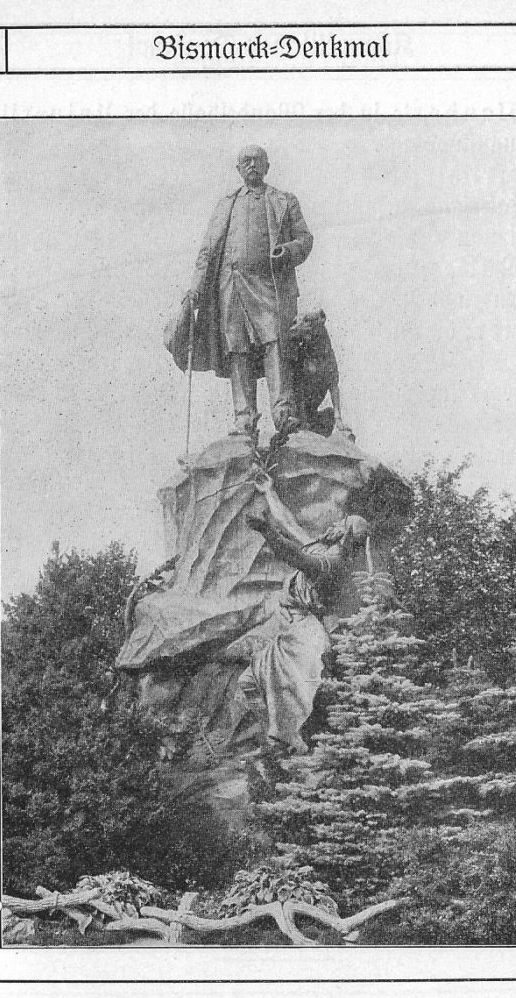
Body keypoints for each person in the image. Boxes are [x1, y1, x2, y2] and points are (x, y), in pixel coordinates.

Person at [233, 470, 370, 755]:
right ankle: (276, 742)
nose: (335, 523)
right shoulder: (322, 546)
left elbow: (294, 555)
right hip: (291, 629)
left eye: (342, 523)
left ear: (346, 535)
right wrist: (269, 492)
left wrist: (266, 531)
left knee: (286, 692)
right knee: (248, 683)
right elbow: (289, 523)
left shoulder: (332, 562)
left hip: (306, 635)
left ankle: (283, 745)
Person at [186, 145, 313, 436]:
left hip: (269, 284)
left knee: (275, 342)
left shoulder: (284, 200)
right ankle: (244, 418)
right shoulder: (226, 204)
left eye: (258, 161)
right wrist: (195, 288)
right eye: (246, 161)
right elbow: (207, 251)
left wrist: (288, 251)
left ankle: (283, 412)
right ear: (238, 169)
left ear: (267, 166)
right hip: (230, 284)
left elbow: (305, 239)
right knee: (237, 348)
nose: (252, 165)